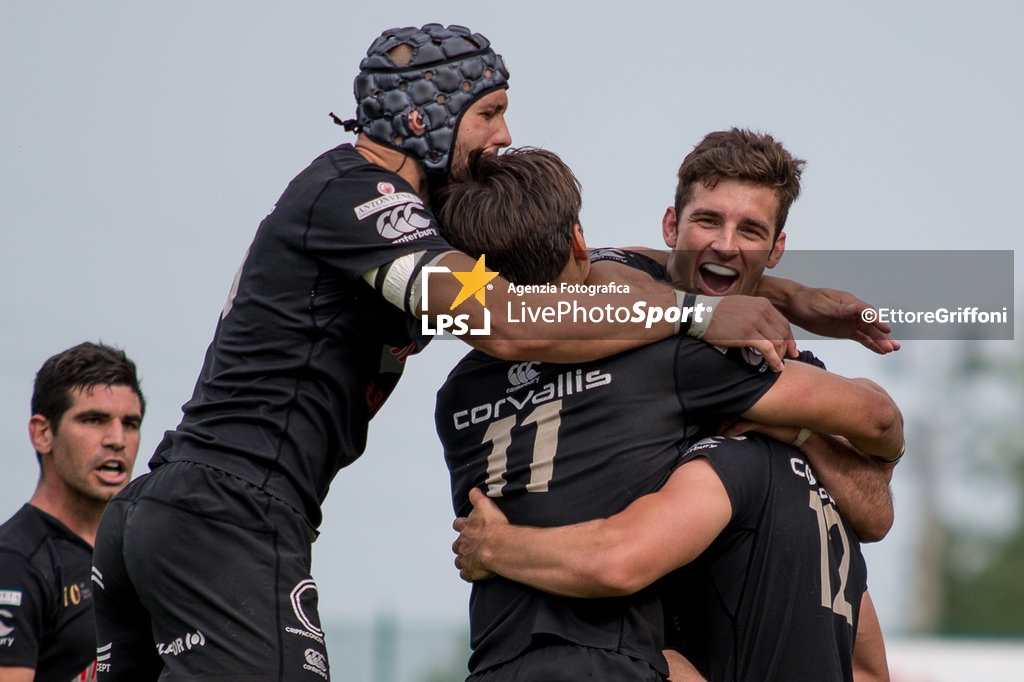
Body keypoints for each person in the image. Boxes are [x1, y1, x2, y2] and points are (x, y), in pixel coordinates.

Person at [93, 23, 848, 681]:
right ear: (425, 114)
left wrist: (781, 294)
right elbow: (509, 321)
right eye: (488, 114)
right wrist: (695, 315)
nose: (504, 136)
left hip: (176, 510)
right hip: (229, 512)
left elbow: (578, 262)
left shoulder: (408, 219)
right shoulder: (358, 193)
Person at [436, 147, 902, 681]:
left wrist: (805, 433)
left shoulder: (454, 396)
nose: (725, 243)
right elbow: (877, 418)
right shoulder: (675, 356)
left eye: (750, 230)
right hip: (608, 664)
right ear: (668, 226)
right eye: (708, 220)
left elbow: (875, 515)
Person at [0, 342, 144, 682]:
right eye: (94, 420)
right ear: (43, 433)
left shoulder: (144, 552)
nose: (117, 439)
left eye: (131, 423)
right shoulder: (14, 562)